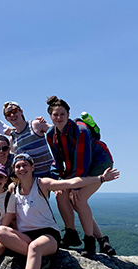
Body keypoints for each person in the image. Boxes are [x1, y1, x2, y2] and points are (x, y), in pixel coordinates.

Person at [0, 153, 120, 269]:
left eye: (25, 165)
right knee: (1, 232)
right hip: (25, 236)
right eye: (18, 166)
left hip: (47, 234)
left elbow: (71, 182)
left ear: (33, 167)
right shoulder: (13, 189)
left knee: (35, 247)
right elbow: (3, 208)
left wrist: (100, 178)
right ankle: (38, 259)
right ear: (14, 170)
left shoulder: (41, 183)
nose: (21, 168)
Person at [46, 96, 116, 257]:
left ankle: (89, 241)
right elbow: (57, 162)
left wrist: (76, 186)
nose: (59, 117)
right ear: (50, 115)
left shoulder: (81, 131)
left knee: (78, 199)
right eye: (55, 114)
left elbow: (83, 160)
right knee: (62, 195)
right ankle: (76, 234)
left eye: (62, 114)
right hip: (77, 168)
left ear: (68, 114)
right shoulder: (51, 134)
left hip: (99, 163)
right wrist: (58, 182)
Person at [2, 101, 54, 178]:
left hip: (52, 174)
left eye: (14, 111)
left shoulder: (36, 125)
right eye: (8, 114)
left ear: (21, 111)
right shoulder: (12, 139)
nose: (12, 115)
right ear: (6, 119)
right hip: (34, 180)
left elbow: (58, 133)